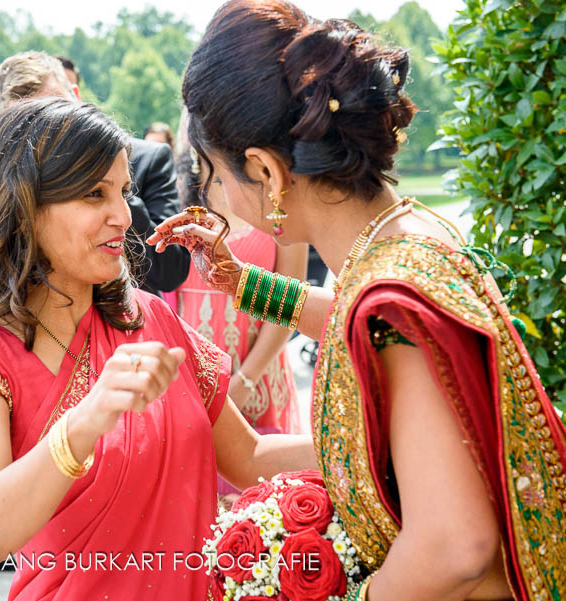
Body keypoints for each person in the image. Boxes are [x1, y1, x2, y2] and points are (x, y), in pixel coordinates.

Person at [148, 2, 566, 599]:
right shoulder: (407, 236)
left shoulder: (393, 298)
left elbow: (455, 546)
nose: (214, 195)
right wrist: (244, 284)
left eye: (212, 173)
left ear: (265, 172)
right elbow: (355, 317)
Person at [0, 98, 316, 600]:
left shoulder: (148, 317)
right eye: (94, 194)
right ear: (23, 205)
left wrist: (368, 443)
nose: (122, 215)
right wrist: (87, 420)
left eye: (124, 192)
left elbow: (247, 456)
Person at [172, 116, 306, 492]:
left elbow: (292, 297)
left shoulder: (275, 195)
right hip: (191, 370)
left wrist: (245, 379)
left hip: (260, 367)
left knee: (263, 500)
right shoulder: (171, 191)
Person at [0, 51, 190, 297]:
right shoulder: (2, 187)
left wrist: (111, 186)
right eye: (31, 124)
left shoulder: (148, 159)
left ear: (76, 96)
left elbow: (171, 272)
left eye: (57, 109)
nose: (49, 132)